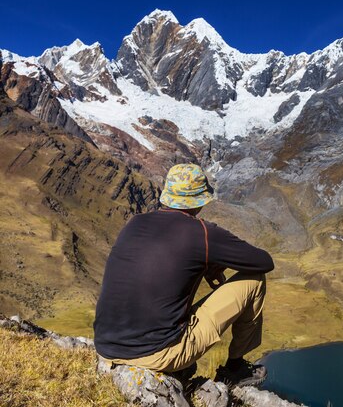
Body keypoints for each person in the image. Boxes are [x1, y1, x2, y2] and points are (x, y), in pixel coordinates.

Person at [93, 163, 273, 386]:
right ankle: (235, 368)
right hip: (158, 354)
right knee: (254, 281)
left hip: (105, 346)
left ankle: (182, 367)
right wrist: (214, 260)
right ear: (200, 200)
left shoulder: (134, 223)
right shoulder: (202, 233)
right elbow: (263, 262)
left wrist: (207, 264)